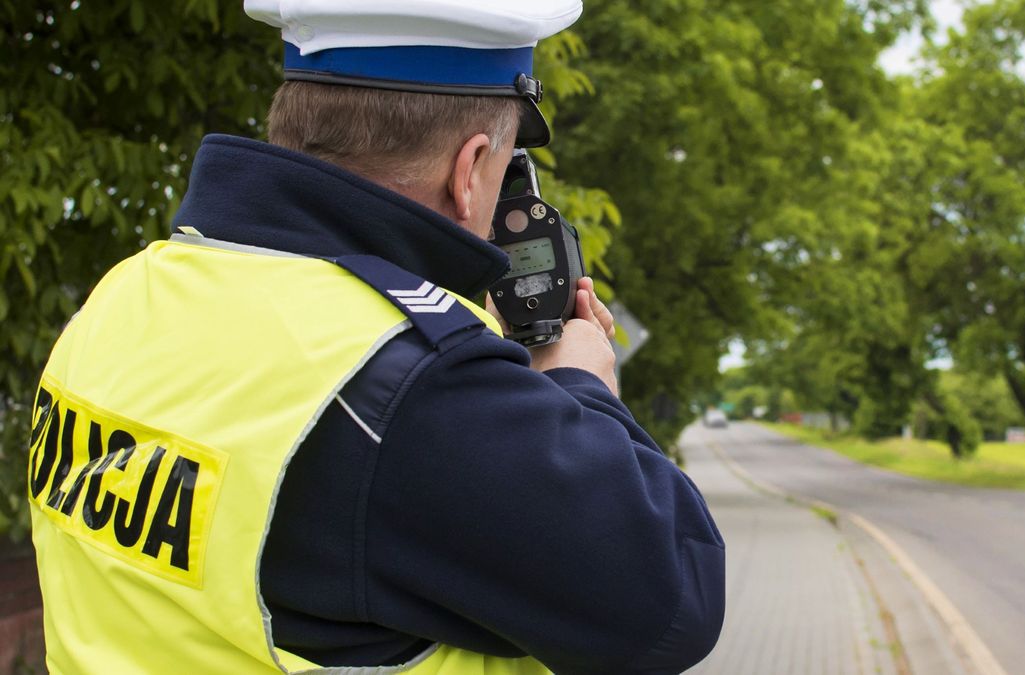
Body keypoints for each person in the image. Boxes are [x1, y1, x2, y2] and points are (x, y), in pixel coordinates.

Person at [25, 2, 725, 674]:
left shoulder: (126, 294)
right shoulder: (408, 383)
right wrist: (582, 386)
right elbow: (671, 598)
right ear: (469, 170)